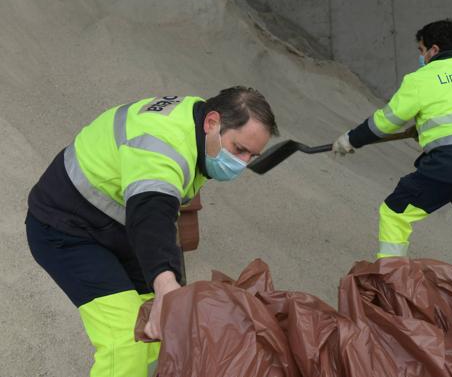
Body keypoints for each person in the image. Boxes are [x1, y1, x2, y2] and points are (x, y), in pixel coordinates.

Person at [25, 87, 278, 376]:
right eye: (239, 149)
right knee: (126, 340)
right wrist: (166, 285)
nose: (242, 163)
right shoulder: (163, 143)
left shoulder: (198, 122)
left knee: (160, 330)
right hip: (65, 229)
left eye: (252, 156)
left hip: (117, 228)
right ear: (212, 123)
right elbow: (151, 214)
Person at [332, 19, 452, 303]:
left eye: (422, 50)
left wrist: (350, 139)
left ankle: (390, 288)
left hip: (449, 166)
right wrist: (423, 129)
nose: (421, 57)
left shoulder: (422, 78)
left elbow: (385, 122)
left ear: (434, 49)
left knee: (394, 212)